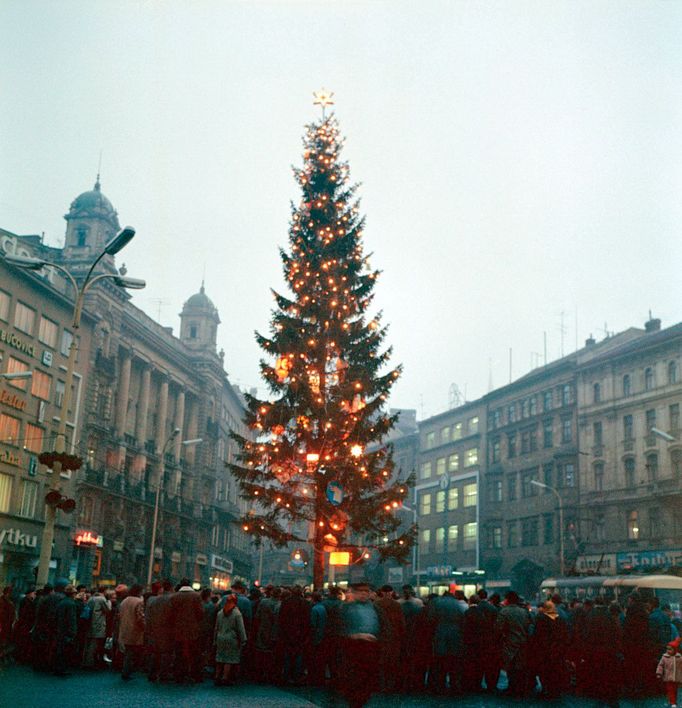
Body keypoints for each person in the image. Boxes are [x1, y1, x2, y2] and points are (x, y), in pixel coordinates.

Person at [340, 581, 383, 708]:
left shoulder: (375, 608)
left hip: (371, 649)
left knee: (367, 680)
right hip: (353, 649)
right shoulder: (346, 608)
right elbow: (338, 629)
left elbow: (383, 627)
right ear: (354, 593)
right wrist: (355, 636)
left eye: (366, 591)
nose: (364, 594)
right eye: (361, 591)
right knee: (355, 681)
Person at [496, 590, 532, 698]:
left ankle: (512, 688)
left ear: (508, 600)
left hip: (509, 643)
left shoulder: (504, 612)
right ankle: (520, 689)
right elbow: (529, 626)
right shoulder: (524, 612)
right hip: (523, 643)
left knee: (510, 668)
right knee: (520, 668)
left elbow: (498, 628)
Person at [531, 600, 569, 699]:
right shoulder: (560, 618)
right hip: (557, 648)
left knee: (544, 670)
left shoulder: (541, 618)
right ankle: (555, 689)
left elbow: (536, 634)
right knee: (555, 670)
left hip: (544, 649)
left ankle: (545, 689)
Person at [169, 578, 204, 683]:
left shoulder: (174, 597)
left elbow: (171, 614)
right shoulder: (196, 596)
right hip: (192, 630)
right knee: (193, 653)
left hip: (178, 629)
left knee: (179, 653)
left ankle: (178, 674)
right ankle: (194, 674)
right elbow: (200, 613)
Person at [214, 593, 247, 686]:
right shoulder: (237, 613)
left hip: (220, 637)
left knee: (220, 658)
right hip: (232, 639)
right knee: (229, 659)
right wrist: (243, 639)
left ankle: (217, 676)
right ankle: (225, 678)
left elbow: (216, 627)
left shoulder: (220, 612)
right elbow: (240, 628)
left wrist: (214, 639)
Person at [146, 579, 174, 682]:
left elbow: (150, 615)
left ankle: (152, 673)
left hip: (156, 628)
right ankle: (163, 674)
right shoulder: (172, 599)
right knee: (166, 653)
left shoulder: (155, 600)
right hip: (168, 630)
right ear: (171, 588)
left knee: (155, 652)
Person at [118, 584, 145, 680]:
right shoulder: (139, 602)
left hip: (124, 628)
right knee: (131, 652)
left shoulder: (124, 601)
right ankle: (127, 671)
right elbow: (140, 617)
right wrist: (145, 627)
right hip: (135, 630)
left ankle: (125, 670)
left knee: (127, 651)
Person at [83, 586, 111, 669]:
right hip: (98, 623)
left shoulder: (91, 598)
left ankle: (86, 661)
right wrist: (109, 601)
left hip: (90, 623)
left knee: (89, 643)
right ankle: (90, 663)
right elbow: (108, 610)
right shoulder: (102, 599)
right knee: (95, 644)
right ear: (105, 591)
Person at [54, 585, 79, 676]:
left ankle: (57, 668)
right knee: (66, 651)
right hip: (67, 631)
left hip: (60, 629)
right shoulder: (71, 604)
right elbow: (71, 619)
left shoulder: (61, 602)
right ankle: (62, 669)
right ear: (72, 594)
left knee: (60, 650)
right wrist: (73, 632)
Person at [657, 640, 682, 708]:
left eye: (670, 649)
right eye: (667, 649)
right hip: (668, 677)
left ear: (675, 650)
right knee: (670, 690)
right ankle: (672, 702)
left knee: (675, 690)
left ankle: (673, 701)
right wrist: (659, 673)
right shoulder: (665, 657)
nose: (668, 651)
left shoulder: (679, 657)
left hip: (676, 677)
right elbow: (660, 665)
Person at [0, 586, 16, 664]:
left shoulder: (8, 601)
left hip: (7, 625)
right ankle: (2, 656)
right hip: (3, 625)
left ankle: (3, 655)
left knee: (6, 641)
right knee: (3, 641)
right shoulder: (2, 601)